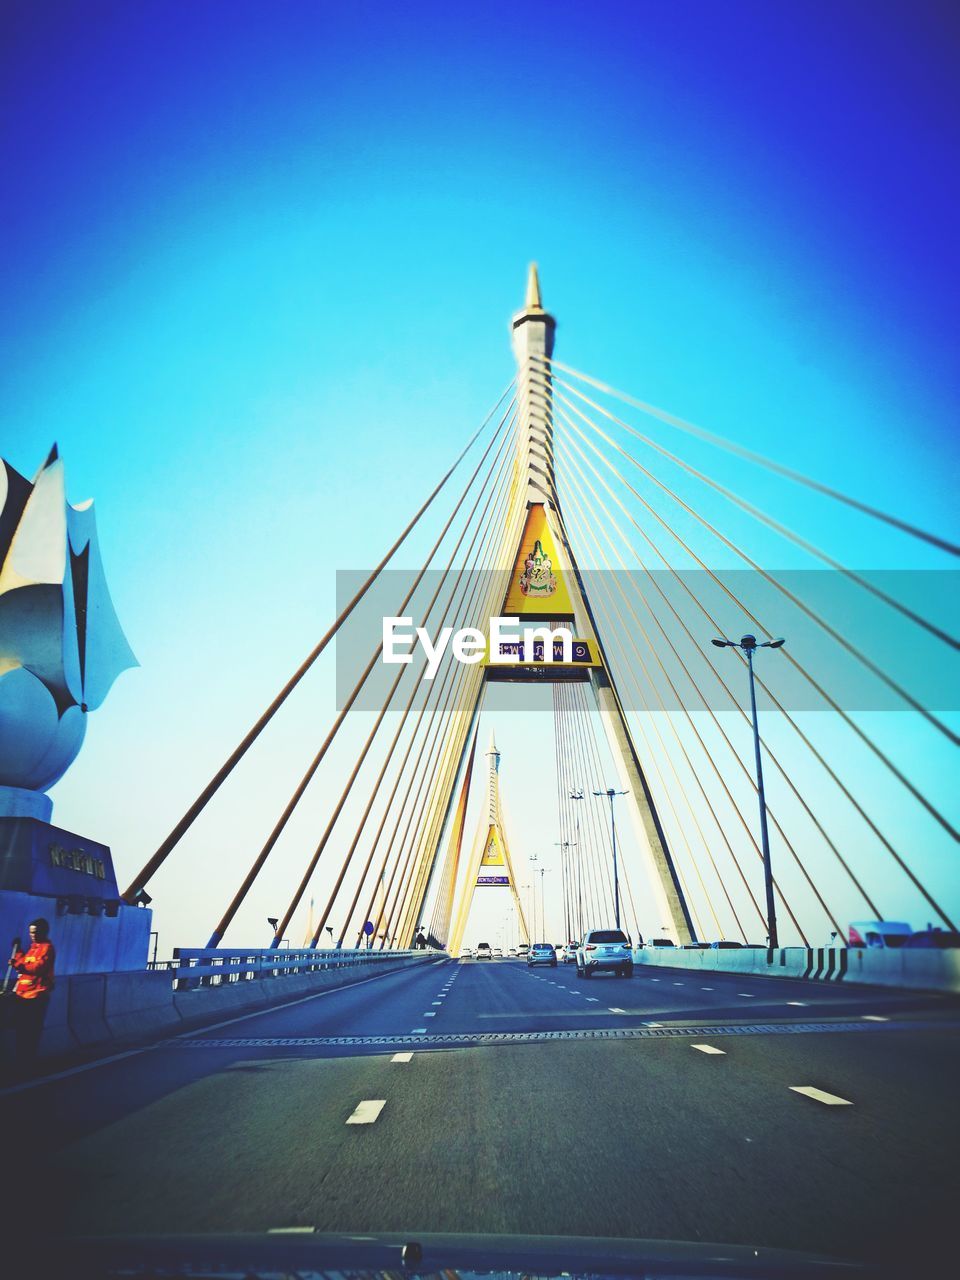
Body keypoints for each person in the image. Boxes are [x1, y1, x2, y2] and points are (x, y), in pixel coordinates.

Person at [9, 918, 56, 1072]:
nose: (33, 935)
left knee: (31, 1031)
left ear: (44, 932)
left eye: (35, 932)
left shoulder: (47, 949)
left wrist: (18, 965)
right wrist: (18, 952)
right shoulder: (32, 949)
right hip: (23, 996)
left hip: (37, 996)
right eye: (31, 932)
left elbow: (38, 967)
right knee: (22, 1030)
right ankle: (21, 1061)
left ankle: (28, 1063)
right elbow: (25, 962)